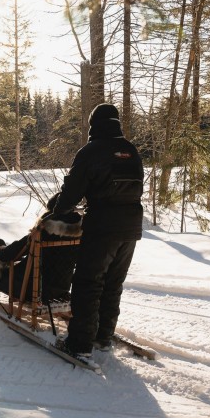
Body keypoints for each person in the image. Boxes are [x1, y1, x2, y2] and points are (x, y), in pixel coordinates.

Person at [46, 103, 144, 360]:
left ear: (93, 125)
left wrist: (58, 212)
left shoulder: (91, 151)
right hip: (131, 227)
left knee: (87, 283)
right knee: (113, 283)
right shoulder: (131, 151)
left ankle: (79, 344)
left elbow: (72, 191)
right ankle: (102, 336)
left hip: (102, 226)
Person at [0, 211, 82, 310]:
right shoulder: (79, 234)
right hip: (61, 289)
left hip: (30, 289)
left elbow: (15, 251)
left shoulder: (43, 231)